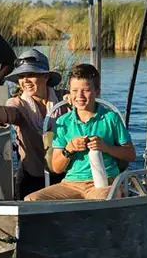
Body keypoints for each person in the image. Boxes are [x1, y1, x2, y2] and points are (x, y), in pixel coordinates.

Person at [24, 63, 136, 201]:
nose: (80, 96)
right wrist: (69, 148)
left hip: (103, 183)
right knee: (31, 200)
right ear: (69, 92)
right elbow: (57, 168)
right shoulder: (62, 122)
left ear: (97, 91)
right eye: (74, 91)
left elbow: (131, 154)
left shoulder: (110, 118)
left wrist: (106, 147)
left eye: (86, 90)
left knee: (102, 199)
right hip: (71, 185)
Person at [0, 49, 70, 199]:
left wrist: (75, 99)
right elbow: (9, 113)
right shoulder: (17, 103)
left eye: (31, 74)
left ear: (46, 76)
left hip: (65, 177)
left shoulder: (64, 99)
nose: (25, 81)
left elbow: (88, 104)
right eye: (21, 76)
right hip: (31, 178)